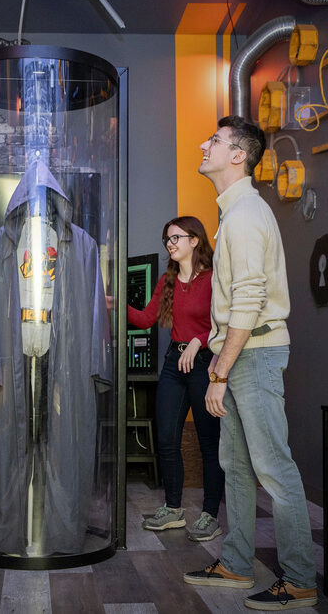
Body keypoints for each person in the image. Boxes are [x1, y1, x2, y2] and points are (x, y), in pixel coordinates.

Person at [183, 117, 317, 610]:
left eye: (214, 141)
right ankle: (237, 564)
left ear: (238, 155)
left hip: (252, 354)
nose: (204, 144)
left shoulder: (244, 216)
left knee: (274, 469)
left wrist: (218, 372)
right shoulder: (235, 213)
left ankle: (300, 579)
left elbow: (249, 302)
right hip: (244, 350)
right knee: (235, 466)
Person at [130, 216, 224, 542]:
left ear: (195, 240)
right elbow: (144, 319)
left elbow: (224, 326)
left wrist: (199, 340)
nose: (170, 244)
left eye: (176, 238)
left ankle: (210, 514)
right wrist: (111, 305)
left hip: (203, 363)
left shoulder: (213, 279)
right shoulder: (167, 281)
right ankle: (173, 510)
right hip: (174, 362)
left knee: (208, 443)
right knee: (167, 438)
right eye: (167, 240)